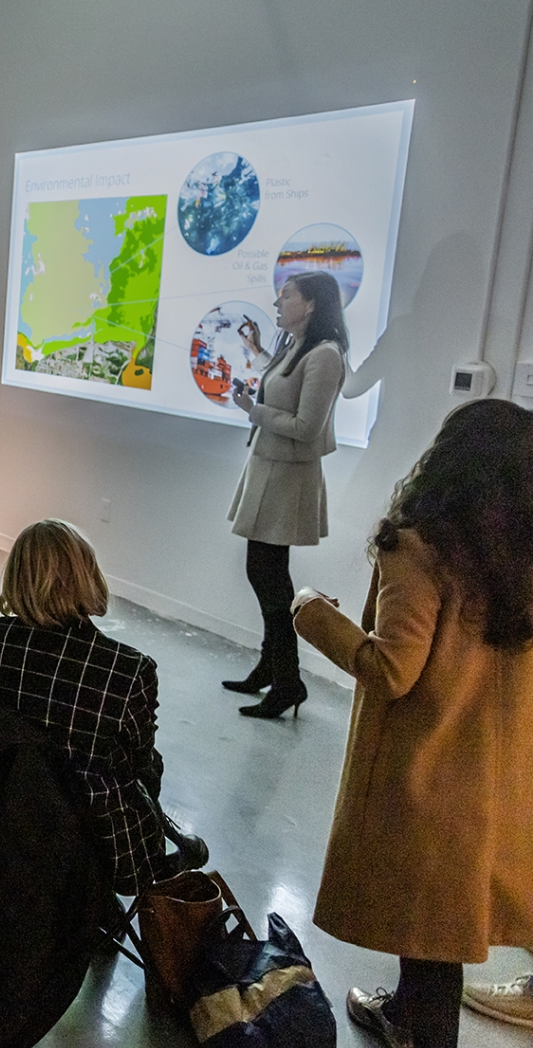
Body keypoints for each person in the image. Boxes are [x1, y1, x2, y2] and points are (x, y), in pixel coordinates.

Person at [291, 400, 533, 1048]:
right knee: (444, 928)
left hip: (429, 774)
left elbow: (392, 669)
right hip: (503, 780)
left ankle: (413, 1026)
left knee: (430, 937)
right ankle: (402, 1011)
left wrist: (312, 612)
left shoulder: (421, 548)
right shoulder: (522, 553)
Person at [0, 519, 203, 896]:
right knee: (150, 766)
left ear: (17, 578)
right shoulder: (127, 669)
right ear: (88, 576)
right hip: (95, 840)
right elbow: (139, 760)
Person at [224, 271, 348, 717]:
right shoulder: (294, 347)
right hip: (268, 471)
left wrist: (252, 410)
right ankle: (271, 669)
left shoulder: (326, 355)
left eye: (286, 296)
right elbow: (282, 383)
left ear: (312, 304)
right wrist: (257, 352)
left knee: (270, 580)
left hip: (287, 479)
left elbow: (305, 427)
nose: (277, 304)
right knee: (266, 577)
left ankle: (288, 680)